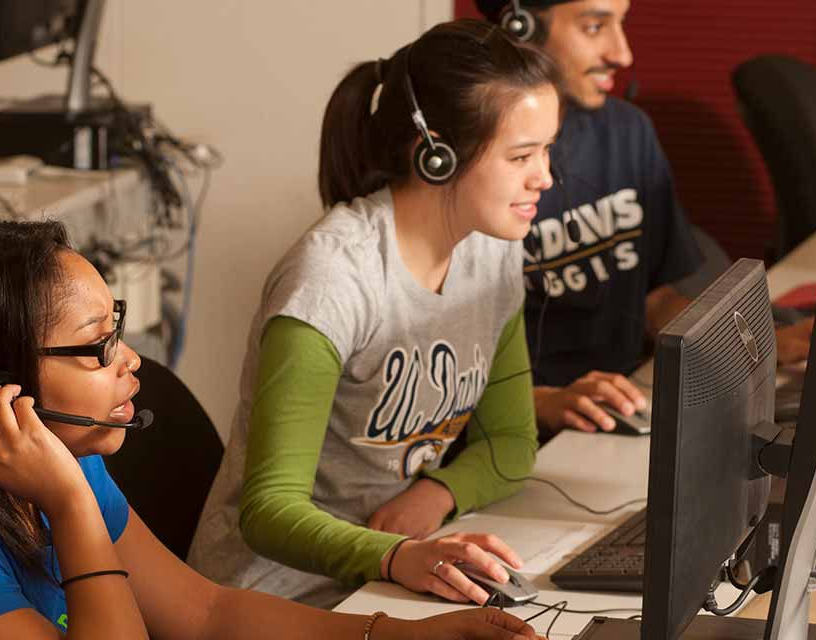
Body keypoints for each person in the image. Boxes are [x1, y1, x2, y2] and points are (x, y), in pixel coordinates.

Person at [0, 221, 540, 639]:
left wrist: (404, 638)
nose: (129, 360)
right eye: (95, 347)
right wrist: (74, 510)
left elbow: (207, 612)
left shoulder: (59, 467)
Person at [188, 20, 564, 608]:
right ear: (436, 155)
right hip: (271, 599)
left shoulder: (494, 254)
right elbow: (268, 510)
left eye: (546, 150)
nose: (545, 176)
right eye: (522, 155)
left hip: (393, 577)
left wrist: (436, 494)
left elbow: (512, 443)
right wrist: (394, 556)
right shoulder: (331, 281)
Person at [477, 0, 814, 436]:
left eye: (621, 23)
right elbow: (437, 362)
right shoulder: (481, 167)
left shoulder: (627, 131)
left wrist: (746, 346)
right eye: (595, 26)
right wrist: (543, 400)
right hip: (521, 430)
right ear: (520, 28)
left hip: (628, 404)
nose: (622, 54)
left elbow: (655, 300)